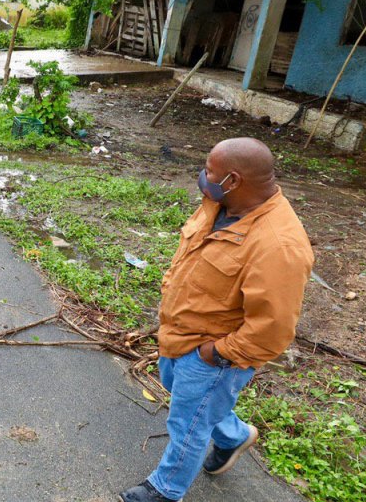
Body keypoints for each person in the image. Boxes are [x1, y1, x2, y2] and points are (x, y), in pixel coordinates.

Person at [117, 138, 314, 502]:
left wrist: (217, 353)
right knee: (185, 397)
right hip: (179, 334)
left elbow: (273, 329)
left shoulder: (278, 245)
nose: (203, 176)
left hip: (213, 353)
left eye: (210, 170)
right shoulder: (220, 203)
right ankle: (234, 436)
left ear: (234, 180)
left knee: (188, 423)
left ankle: (165, 489)